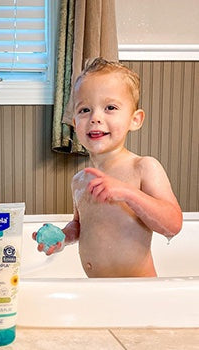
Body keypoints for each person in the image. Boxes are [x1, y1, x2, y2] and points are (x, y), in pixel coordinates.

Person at [33, 57, 182, 277]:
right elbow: (81, 226)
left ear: (135, 120)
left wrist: (128, 193)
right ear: (75, 123)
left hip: (138, 292)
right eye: (84, 110)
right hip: (98, 292)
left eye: (110, 107)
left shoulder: (143, 167)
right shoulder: (80, 180)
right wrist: (64, 236)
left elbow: (173, 224)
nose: (95, 118)